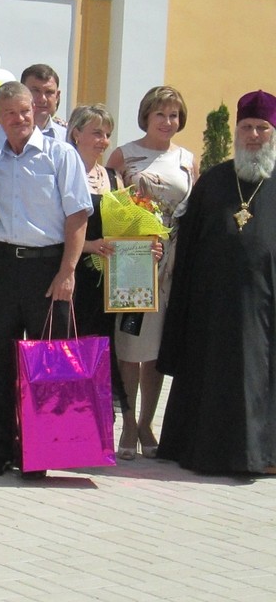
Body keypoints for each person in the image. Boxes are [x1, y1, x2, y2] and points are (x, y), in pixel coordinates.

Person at [157, 89, 276, 475]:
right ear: (237, 131)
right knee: (212, 375)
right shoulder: (213, 181)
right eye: (247, 127)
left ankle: (262, 455)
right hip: (211, 304)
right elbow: (189, 243)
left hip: (267, 306)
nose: (253, 135)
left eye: (262, 128)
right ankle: (204, 450)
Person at [0, 81, 92, 479]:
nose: (20, 118)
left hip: (49, 268)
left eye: (25, 110)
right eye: (10, 112)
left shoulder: (61, 155)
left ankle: (42, 450)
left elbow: (78, 216)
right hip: (4, 267)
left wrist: (68, 272)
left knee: (48, 362)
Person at [105, 86, 195, 459]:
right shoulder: (123, 155)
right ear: (146, 116)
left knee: (156, 351)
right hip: (133, 263)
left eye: (173, 115)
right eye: (160, 113)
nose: (167, 121)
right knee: (130, 347)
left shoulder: (187, 159)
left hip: (172, 263)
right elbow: (109, 206)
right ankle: (127, 422)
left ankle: (146, 422)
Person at [67, 104, 156, 461]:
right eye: (96, 133)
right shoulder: (63, 171)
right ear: (76, 133)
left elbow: (126, 228)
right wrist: (89, 246)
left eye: (106, 134)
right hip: (72, 277)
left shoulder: (114, 178)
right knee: (74, 353)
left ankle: (97, 436)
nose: (103, 140)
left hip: (106, 285)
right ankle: (67, 434)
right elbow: (52, 228)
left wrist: (148, 245)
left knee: (102, 356)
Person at [0, 64, 67, 158]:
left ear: (57, 96)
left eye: (49, 92)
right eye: (35, 91)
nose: (43, 99)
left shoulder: (66, 137)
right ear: (21, 91)